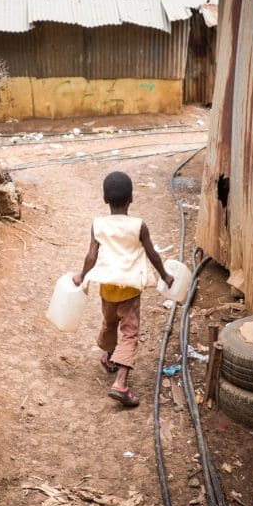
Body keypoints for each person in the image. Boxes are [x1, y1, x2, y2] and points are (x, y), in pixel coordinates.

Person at [72, 171, 174, 407]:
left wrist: (82, 275)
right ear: (132, 198)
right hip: (129, 291)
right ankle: (120, 383)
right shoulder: (139, 226)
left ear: (105, 198)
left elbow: (91, 255)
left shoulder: (98, 224)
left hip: (107, 289)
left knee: (109, 323)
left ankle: (109, 357)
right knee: (129, 332)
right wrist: (165, 275)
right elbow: (153, 255)